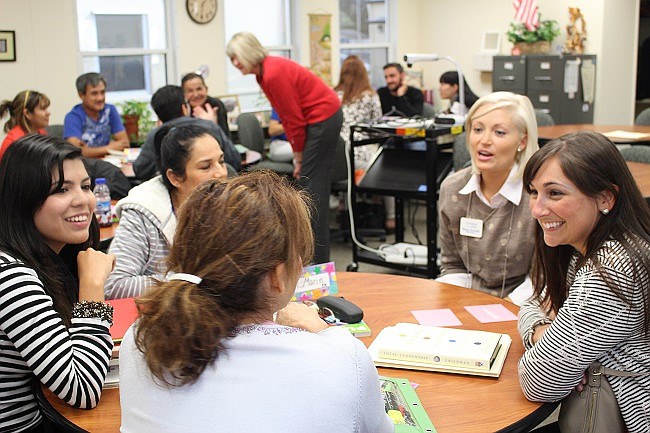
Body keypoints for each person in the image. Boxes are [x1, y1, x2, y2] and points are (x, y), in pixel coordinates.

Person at [119, 171, 393, 433]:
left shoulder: (140, 339)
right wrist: (326, 334)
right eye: (298, 255)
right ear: (277, 276)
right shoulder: (343, 359)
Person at [518, 131, 650, 432]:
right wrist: (540, 331)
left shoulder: (613, 269)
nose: (537, 209)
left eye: (555, 193)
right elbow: (534, 303)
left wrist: (547, 338)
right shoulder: (584, 247)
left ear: (605, 197)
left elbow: (537, 381)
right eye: (534, 192)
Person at [0, 135, 115, 432]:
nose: (83, 200)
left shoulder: (49, 259)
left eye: (85, 186)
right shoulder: (11, 276)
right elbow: (83, 389)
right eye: (62, 189)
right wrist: (92, 286)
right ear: (23, 199)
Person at [226, 31, 343, 264]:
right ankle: (313, 259)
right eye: (232, 59)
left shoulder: (273, 73)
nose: (235, 63)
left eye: (237, 57)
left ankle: (316, 263)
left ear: (249, 52)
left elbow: (294, 121)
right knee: (311, 186)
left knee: (311, 191)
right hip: (322, 118)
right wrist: (299, 159)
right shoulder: (264, 74)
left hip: (323, 118)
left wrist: (299, 157)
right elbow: (289, 119)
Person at [437, 92, 539, 304]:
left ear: (522, 141)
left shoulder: (537, 196)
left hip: (524, 303)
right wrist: (453, 303)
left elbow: (542, 279)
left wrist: (502, 308)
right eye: (478, 129)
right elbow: (452, 265)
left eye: (499, 132)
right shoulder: (453, 189)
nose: (484, 141)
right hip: (468, 298)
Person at [105, 124, 228, 299]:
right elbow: (114, 286)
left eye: (221, 162)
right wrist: (191, 281)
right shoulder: (143, 212)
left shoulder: (230, 203)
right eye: (206, 167)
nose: (221, 173)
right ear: (175, 178)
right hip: (164, 312)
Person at [132, 85, 240, 181]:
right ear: (184, 108)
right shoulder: (209, 125)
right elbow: (234, 160)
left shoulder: (156, 134)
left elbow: (140, 169)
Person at [64, 72, 129, 158]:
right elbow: (75, 152)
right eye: (94, 93)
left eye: (102, 92)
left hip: (108, 162)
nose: (100, 98)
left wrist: (89, 150)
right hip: (85, 165)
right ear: (81, 95)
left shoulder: (110, 110)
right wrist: (109, 148)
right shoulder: (73, 117)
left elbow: (125, 143)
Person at [0, 90, 50, 159]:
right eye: (43, 109)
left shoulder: (42, 134)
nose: (48, 113)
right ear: (27, 113)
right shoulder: (14, 142)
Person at [181, 72, 231, 138]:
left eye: (199, 89)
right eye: (190, 91)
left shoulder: (216, 105)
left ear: (206, 89)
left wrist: (212, 124)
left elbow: (224, 136)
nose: (195, 95)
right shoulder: (182, 108)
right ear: (184, 94)